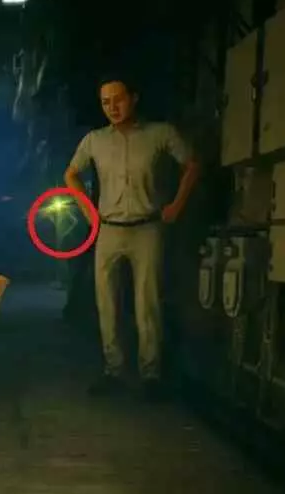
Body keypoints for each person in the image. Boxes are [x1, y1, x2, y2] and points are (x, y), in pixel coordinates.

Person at [63, 74, 201, 401]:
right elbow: (71, 174)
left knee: (146, 302)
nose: (112, 107)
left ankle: (150, 374)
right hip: (109, 229)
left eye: (118, 99)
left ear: (134, 98)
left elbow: (192, 165)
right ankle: (114, 370)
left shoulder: (160, 134)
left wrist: (176, 205)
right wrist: (89, 213)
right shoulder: (95, 140)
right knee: (106, 302)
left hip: (146, 227)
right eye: (105, 102)